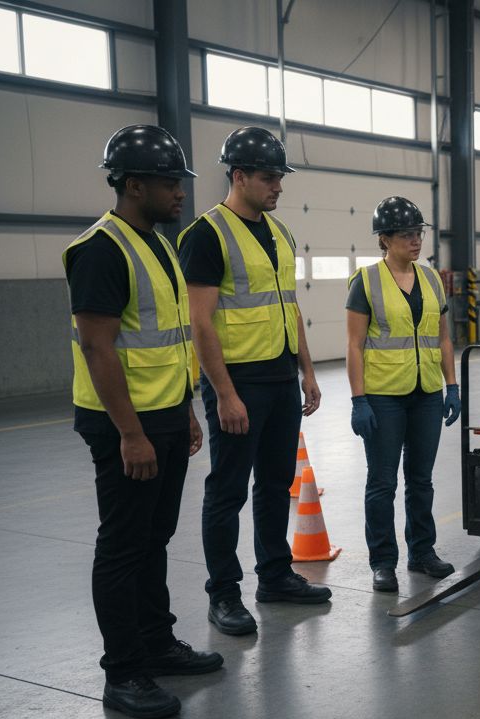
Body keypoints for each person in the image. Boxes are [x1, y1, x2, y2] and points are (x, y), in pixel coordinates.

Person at [64, 125, 223, 719]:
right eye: (168, 183)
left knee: (155, 538)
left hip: (164, 415)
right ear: (134, 185)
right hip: (124, 425)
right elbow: (98, 348)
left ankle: (157, 643)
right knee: (124, 546)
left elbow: (169, 340)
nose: (180, 193)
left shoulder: (157, 244)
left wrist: (184, 410)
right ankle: (124, 672)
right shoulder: (101, 250)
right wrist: (130, 433)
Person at [179, 126, 328, 635]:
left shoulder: (279, 233)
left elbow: (289, 306)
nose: (278, 186)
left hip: (281, 377)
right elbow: (200, 323)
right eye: (269, 178)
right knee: (227, 491)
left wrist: (307, 371)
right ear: (239, 176)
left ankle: (275, 575)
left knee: (275, 483)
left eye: (280, 177)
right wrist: (224, 394)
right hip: (237, 382)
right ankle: (223, 594)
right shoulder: (207, 235)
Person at [345, 197, 461, 592]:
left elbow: (443, 339)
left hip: (426, 393)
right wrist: (358, 400)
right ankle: (383, 562)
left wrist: (451, 385)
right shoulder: (366, 281)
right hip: (383, 397)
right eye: (407, 234)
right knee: (382, 483)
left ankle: (422, 552)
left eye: (419, 233)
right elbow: (354, 345)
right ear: (385, 239)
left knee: (421, 480)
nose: (416, 241)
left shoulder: (430, 279)